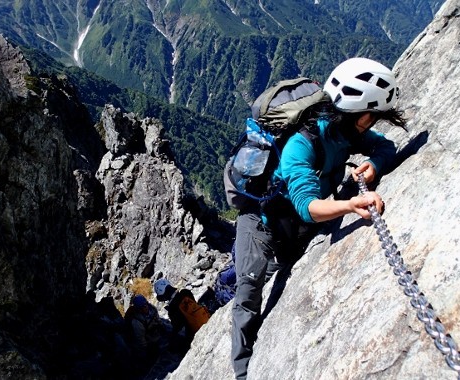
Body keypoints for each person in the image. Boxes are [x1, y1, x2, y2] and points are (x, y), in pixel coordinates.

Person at [230, 57, 407, 379]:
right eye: (374, 116)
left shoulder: (346, 130)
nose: (374, 122)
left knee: (279, 267)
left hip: (292, 224)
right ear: (362, 113)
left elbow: (385, 147)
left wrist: (375, 166)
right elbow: (307, 205)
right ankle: (242, 370)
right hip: (260, 219)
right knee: (249, 291)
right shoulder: (302, 142)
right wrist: (352, 204)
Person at [153, 278, 210, 349]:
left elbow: (178, 328)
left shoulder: (172, 309)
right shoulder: (185, 292)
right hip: (205, 318)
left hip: (195, 332)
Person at [124, 294, 163, 368]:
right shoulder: (136, 322)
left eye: (145, 305)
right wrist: (146, 351)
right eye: (142, 307)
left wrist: (160, 327)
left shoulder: (152, 309)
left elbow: (157, 319)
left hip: (152, 332)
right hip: (145, 338)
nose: (145, 308)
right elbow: (141, 340)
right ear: (138, 309)